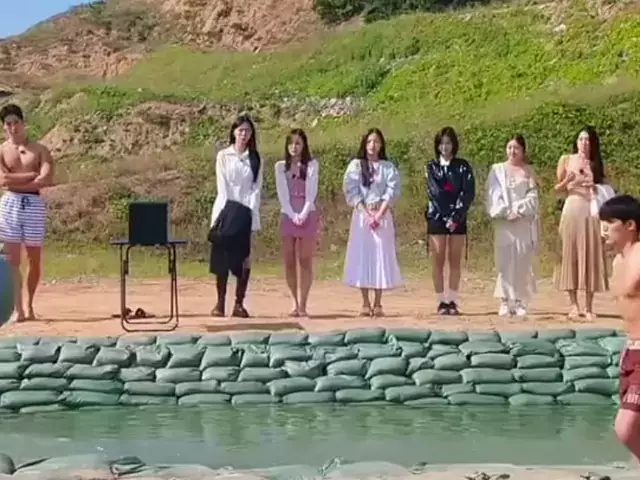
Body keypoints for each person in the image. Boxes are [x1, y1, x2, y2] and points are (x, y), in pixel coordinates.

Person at [0, 104, 54, 322]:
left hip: (33, 203)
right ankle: (18, 309)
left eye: (16, 123)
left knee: (34, 258)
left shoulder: (39, 149)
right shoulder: (2, 150)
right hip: (10, 203)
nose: (13, 128)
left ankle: (29, 305)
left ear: (23, 124)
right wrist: (30, 175)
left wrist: (18, 180)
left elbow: (46, 179)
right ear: (4, 127)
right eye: (8, 124)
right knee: (12, 259)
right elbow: (3, 180)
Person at [343, 128, 403, 317]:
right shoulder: (356, 166)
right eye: (369, 141)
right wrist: (367, 214)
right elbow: (351, 191)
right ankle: (365, 302)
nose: (372, 145)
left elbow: (392, 192)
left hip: (382, 218)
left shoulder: (387, 167)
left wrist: (379, 214)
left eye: (376, 141)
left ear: (381, 144)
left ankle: (378, 302)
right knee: (363, 256)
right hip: (362, 218)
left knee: (380, 257)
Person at [598, 195, 640, 462]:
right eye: (601, 222)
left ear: (630, 225)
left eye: (610, 222)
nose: (603, 229)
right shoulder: (617, 262)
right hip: (630, 352)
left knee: (626, 428)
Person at [209, 114, 263, 318]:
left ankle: (239, 303)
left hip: (245, 213)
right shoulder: (223, 156)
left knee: (243, 259)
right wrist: (229, 212)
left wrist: (247, 211)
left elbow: (256, 188)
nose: (243, 134)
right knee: (221, 258)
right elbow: (222, 186)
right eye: (240, 130)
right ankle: (220, 302)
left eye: (247, 131)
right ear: (233, 132)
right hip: (225, 211)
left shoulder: (255, 158)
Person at [554, 125, 608, 320]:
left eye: (587, 140)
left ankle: (589, 305)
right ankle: (574, 305)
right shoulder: (566, 159)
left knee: (591, 255)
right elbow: (557, 189)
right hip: (572, 207)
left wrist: (594, 186)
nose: (584, 143)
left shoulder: (595, 163)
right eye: (581, 139)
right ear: (576, 142)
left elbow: (605, 188)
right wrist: (568, 181)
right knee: (571, 254)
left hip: (591, 210)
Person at [485, 135, 539, 317]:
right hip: (505, 222)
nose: (512, 151)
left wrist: (519, 209)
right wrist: (506, 212)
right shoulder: (497, 170)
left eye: (516, 148)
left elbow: (533, 196)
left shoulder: (529, 171)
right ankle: (504, 300)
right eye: (509, 147)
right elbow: (493, 194)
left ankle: (520, 300)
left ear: (523, 150)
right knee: (505, 260)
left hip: (523, 221)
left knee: (523, 259)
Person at [425, 126, 475, 315]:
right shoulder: (431, 167)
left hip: (458, 219)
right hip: (437, 217)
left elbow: (467, 191)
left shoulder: (463, 166)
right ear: (437, 146)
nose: (445, 147)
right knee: (438, 260)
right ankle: (441, 301)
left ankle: (452, 300)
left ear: (454, 145)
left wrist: (455, 216)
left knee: (455, 260)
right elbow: (435, 192)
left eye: (448, 143)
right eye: (441, 143)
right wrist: (446, 216)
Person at [274, 129, 319, 317]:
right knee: (289, 260)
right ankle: (294, 301)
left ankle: (303, 303)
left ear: (304, 145)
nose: (294, 147)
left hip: (307, 214)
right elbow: (282, 194)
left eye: (298, 143)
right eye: (291, 143)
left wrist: (303, 213)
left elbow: (311, 193)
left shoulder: (312, 165)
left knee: (305, 260)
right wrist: (293, 215)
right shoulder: (280, 167)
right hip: (288, 214)